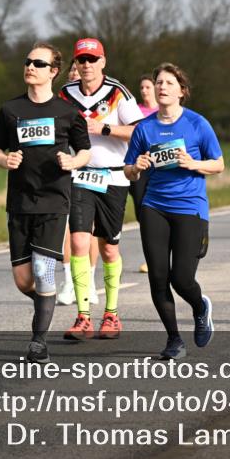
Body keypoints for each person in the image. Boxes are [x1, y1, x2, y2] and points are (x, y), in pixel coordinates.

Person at [0, 42, 92, 363]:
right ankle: (44, 302)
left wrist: (73, 163)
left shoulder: (67, 113)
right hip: (19, 202)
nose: (30, 67)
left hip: (53, 201)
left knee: (44, 270)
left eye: (38, 63)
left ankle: (38, 342)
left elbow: (85, 151)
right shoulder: (9, 110)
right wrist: (6, 160)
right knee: (24, 280)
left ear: (53, 72)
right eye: (28, 62)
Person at [124, 63, 223, 360]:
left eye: (169, 82)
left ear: (182, 90)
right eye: (158, 82)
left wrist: (193, 164)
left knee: (181, 278)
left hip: (190, 207)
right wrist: (136, 168)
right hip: (154, 206)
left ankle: (200, 306)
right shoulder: (145, 128)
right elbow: (129, 170)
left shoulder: (197, 124)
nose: (162, 87)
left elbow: (218, 164)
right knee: (157, 277)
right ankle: (173, 339)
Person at [58, 38, 145, 340]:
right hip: (80, 175)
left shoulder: (119, 93)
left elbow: (139, 132)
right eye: (81, 60)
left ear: (103, 62)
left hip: (114, 176)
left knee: (108, 247)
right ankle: (83, 316)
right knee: (79, 242)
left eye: (92, 60)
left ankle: (112, 314)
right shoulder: (66, 94)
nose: (87, 66)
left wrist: (105, 128)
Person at [57, 59, 100, 306]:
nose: (76, 73)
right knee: (67, 229)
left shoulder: (98, 101)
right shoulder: (61, 100)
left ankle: (90, 282)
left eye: (79, 70)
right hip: (65, 167)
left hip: (90, 168)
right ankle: (68, 282)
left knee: (87, 229)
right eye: (72, 70)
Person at [132, 74, 159, 274]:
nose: (144, 91)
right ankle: (150, 257)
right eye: (141, 87)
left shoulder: (164, 111)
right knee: (143, 213)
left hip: (159, 168)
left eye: (148, 87)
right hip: (139, 166)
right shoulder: (135, 111)